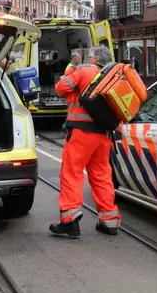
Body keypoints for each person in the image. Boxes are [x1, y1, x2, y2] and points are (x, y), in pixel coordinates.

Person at [49, 46, 121, 238]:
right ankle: (110, 221)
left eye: (90, 56)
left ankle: (70, 219)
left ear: (95, 58)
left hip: (81, 134)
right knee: (101, 175)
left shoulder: (83, 70)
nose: (89, 58)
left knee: (71, 173)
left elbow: (60, 88)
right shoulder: (113, 75)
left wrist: (73, 65)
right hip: (104, 135)